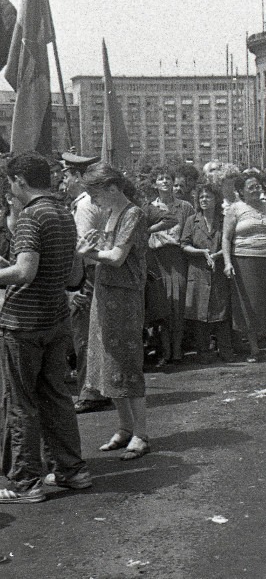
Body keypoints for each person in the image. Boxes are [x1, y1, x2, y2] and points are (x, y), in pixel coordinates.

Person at [0, 153, 88, 503]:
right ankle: (71, 470)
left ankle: (26, 483)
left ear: (19, 180)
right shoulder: (64, 214)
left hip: (23, 323)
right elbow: (73, 276)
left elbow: (24, 272)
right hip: (55, 319)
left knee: (20, 403)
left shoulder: (31, 216)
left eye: (10, 182)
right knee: (56, 397)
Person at [79, 163, 151, 461]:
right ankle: (124, 427)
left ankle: (141, 434)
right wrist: (93, 249)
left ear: (111, 188)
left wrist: (88, 253)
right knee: (109, 361)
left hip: (123, 297)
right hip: (106, 293)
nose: (93, 201)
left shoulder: (132, 213)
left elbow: (118, 257)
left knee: (126, 361)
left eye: (95, 193)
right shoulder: (112, 213)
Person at [60, 152, 108, 414]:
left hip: (87, 275)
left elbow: (79, 247)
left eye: (67, 175)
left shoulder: (85, 205)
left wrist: (74, 287)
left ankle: (91, 392)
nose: (64, 180)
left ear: (78, 177)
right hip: (95, 273)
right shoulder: (90, 201)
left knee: (84, 334)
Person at [221, 171, 266, 362]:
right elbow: (226, 237)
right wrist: (227, 262)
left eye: (258, 186)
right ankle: (255, 349)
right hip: (244, 261)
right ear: (241, 190)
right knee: (249, 304)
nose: (256, 190)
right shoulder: (235, 209)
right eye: (251, 187)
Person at [180, 183, 232, 362]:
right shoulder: (192, 221)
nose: (204, 200)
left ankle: (225, 350)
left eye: (208, 196)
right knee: (200, 313)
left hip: (218, 271)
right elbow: (184, 244)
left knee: (222, 311)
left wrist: (218, 255)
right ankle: (203, 352)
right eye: (201, 197)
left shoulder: (224, 220)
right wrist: (202, 253)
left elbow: (230, 243)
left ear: (216, 199)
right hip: (198, 272)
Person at [147, 168, 194, 365]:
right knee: (163, 305)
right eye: (161, 179)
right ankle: (165, 351)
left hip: (178, 258)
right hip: (157, 259)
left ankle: (177, 350)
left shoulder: (185, 207)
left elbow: (189, 233)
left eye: (168, 178)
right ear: (155, 184)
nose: (165, 181)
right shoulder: (149, 208)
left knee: (178, 304)